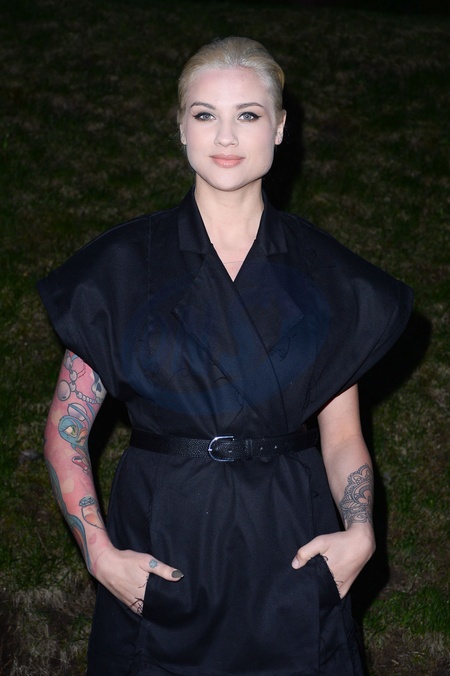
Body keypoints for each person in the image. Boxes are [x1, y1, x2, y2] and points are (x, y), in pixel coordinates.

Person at [38, 36, 413, 675]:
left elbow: (344, 435)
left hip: (289, 544)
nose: (226, 136)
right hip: (164, 540)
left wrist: (359, 531)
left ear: (281, 128)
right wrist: (100, 554)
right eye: (205, 114)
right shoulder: (121, 267)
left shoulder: (326, 274)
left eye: (248, 114)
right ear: (180, 127)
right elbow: (66, 430)